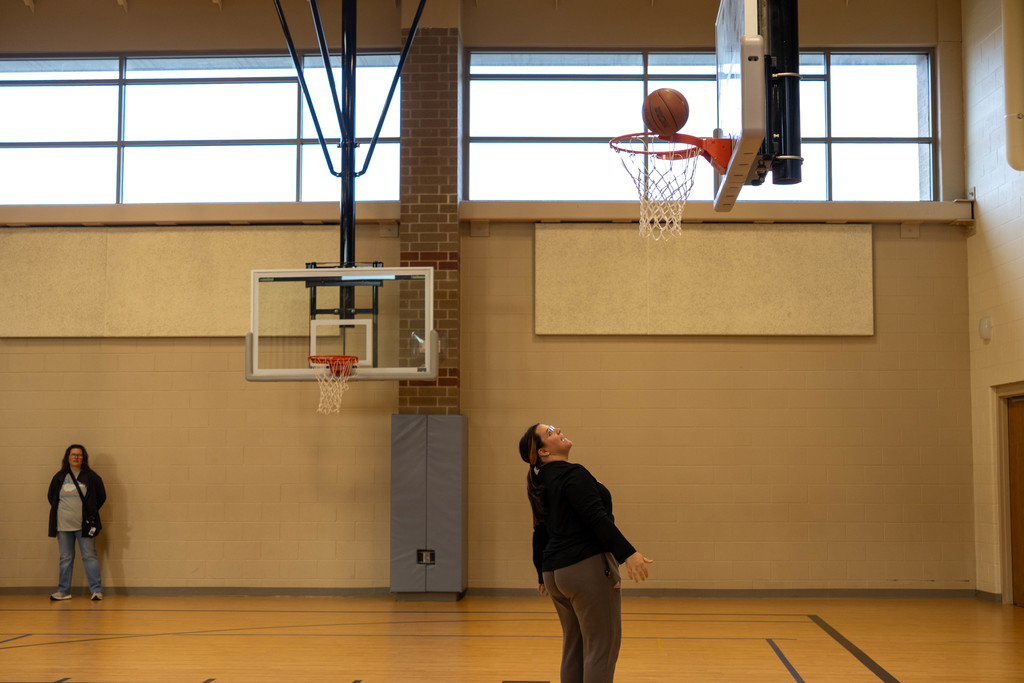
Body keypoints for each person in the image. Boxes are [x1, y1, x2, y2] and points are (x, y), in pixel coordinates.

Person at [519, 423, 653, 683]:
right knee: (601, 648)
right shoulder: (573, 475)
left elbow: (540, 531)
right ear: (544, 452)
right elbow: (597, 520)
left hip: (554, 574)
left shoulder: (541, 481)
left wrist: (540, 573)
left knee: (575, 648)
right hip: (585, 570)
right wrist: (629, 554)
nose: (558, 431)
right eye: (550, 433)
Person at [47, 444, 106, 601]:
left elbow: (101, 497)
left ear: (83, 458)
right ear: (68, 457)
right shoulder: (59, 477)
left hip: (84, 526)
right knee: (65, 558)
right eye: (73, 454)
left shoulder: (91, 477)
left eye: (79, 455)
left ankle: (96, 590)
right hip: (63, 525)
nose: (76, 457)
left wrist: (89, 513)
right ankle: (63, 591)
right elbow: (51, 497)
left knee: (89, 556)